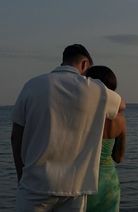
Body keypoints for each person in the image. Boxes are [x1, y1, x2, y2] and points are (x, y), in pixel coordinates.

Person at [11, 44, 125, 212]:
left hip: (35, 185)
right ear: (85, 64)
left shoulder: (32, 85)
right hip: (75, 188)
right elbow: (121, 105)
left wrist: (22, 175)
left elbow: (16, 137)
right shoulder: (92, 89)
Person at [85, 66, 126, 212]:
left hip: (87, 180)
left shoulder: (86, 117)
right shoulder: (120, 119)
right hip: (110, 182)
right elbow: (119, 157)